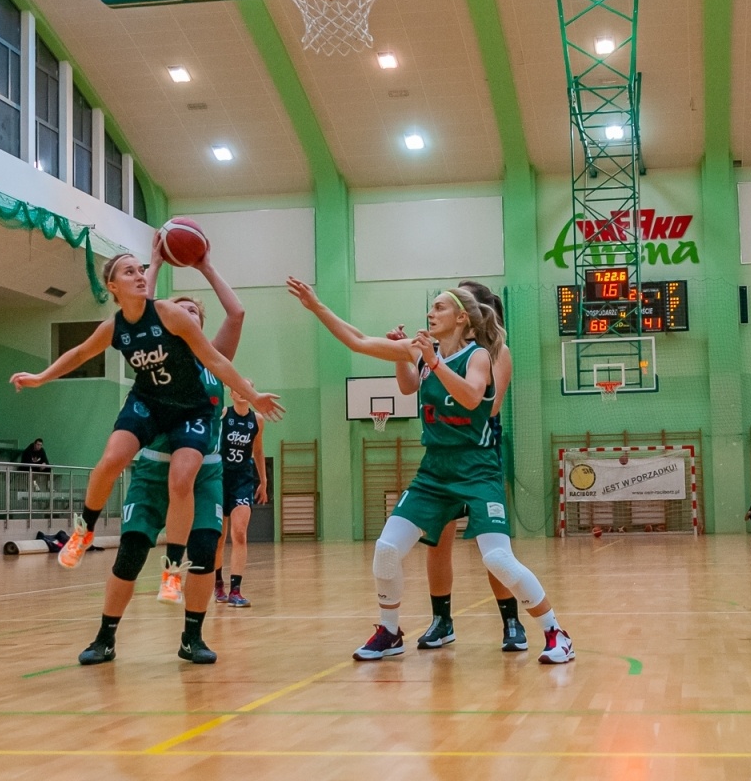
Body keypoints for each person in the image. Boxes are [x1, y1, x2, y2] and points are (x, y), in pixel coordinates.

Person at [288, 278, 575, 664]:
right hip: (434, 470)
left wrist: (434, 360)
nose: (429, 313)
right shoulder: (423, 351)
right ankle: (390, 632)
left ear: (461, 317)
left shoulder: (480, 355)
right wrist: (316, 306)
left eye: (438, 307)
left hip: (477, 468)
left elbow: (474, 397)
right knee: (387, 550)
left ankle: (555, 632)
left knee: (497, 559)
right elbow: (357, 340)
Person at [10, 249, 281, 605]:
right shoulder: (122, 325)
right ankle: (84, 530)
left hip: (190, 415)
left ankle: (171, 571)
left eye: (141, 271)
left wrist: (253, 395)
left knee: (181, 480)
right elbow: (79, 353)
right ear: (112, 285)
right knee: (110, 460)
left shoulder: (178, 325)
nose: (139, 276)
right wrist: (42, 377)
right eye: (129, 272)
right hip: (150, 403)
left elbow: (218, 353)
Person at [78, 288, 243, 667]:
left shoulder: (212, 361)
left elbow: (236, 314)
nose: (183, 314)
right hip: (154, 468)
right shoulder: (155, 362)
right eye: (177, 309)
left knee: (203, 553)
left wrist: (204, 263)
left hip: (204, 474)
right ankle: (105, 636)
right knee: (131, 553)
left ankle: (192, 636)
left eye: (192, 313)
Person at [410, 280, 526, 653]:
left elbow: (488, 407)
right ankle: (441, 621)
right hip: (444, 456)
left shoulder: (495, 351)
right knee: (437, 541)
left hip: (479, 455)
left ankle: (511, 620)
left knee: (491, 548)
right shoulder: (442, 350)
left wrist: (454, 391)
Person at [215, 383, 267, 607]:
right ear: (232, 393)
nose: (243, 391)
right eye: (239, 387)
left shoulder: (257, 420)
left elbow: (257, 450)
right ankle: (218, 584)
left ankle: (236, 590)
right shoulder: (224, 414)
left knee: (239, 533)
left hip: (243, 481)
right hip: (219, 479)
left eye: (248, 388)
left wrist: (263, 480)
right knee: (218, 538)